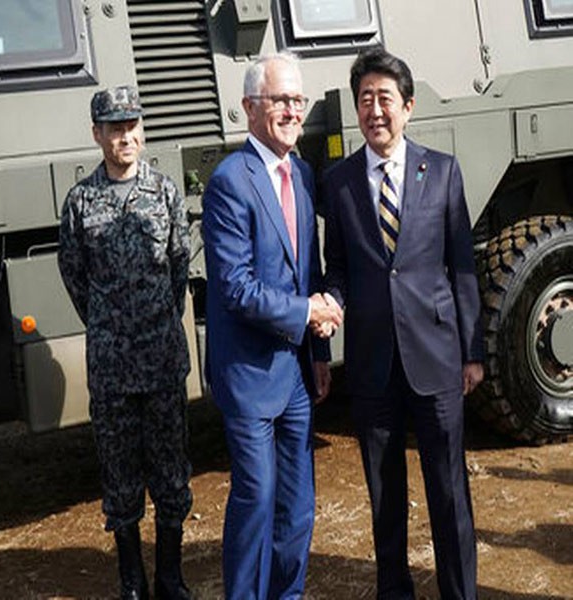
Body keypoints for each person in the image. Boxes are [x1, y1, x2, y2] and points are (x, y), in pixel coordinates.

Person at [322, 48, 484, 599]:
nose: (375, 110)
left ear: (408, 107)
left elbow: (462, 267)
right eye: (365, 99)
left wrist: (472, 351)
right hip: (372, 362)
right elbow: (338, 266)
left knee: (449, 493)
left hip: (436, 358)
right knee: (384, 497)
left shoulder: (442, 171)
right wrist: (331, 302)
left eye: (385, 98)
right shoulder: (339, 182)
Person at [202, 54, 341, 599]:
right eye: (280, 100)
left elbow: (308, 271)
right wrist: (307, 312)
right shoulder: (228, 182)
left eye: (297, 100)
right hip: (249, 376)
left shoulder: (301, 173)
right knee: (256, 499)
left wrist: (319, 353)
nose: (292, 111)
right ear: (249, 107)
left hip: (297, 373)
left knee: (298, 506)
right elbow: (235, 288)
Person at [57, 85, 193, 600]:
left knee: (171, 472)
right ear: (97, 135)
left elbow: (178, 266)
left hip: (161, 359)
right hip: (111, 366)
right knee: (119, 475)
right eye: (115, 128)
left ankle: (170, 577)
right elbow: (74, 274)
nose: (126, 137)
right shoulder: (80, 202)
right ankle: (132, 581)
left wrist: (153, 318)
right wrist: (109, 323)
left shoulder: (165, 193)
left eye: (132, 126)